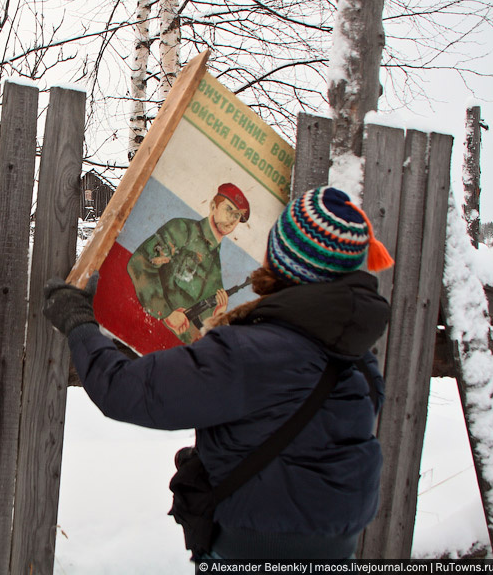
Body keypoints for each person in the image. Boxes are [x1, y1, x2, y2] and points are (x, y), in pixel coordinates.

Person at [43, 186, 394, 563]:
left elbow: (125, 390)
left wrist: (79, 324)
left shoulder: (255, 352)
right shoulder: (357, 360)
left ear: (280, 260)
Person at [127, 182, 250, 343]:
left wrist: (216, 316)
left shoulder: (216, 272)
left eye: (237, 216)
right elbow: (139, 263)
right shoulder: (182, 230)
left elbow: (195, 331)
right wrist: (166, 312)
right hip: (136, 325)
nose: (232, 220)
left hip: (162, 347)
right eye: (229, 210)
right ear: (213, 206)